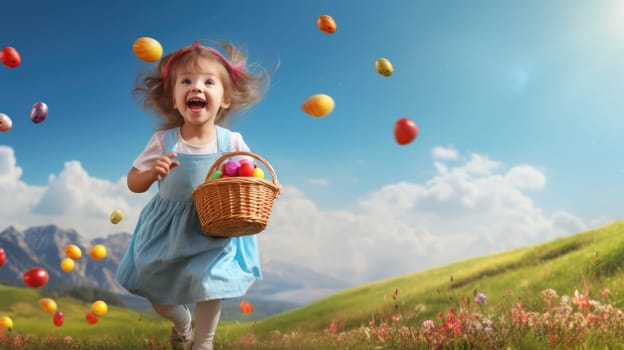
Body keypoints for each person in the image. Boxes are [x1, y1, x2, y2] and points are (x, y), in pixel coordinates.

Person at [116, 39, 273, 350]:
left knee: (209, 285)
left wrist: (258, 186)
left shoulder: (232, 141)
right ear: (174, 100)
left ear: (224, 99)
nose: (196, 88)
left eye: (208, 82)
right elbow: (133, 182)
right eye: (185, 81)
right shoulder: (164, 141)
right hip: (167, 230)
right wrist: (151, 173)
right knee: (157, 294)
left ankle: (203, 342)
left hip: (213, 228)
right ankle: (182, 322)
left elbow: (250, 174)